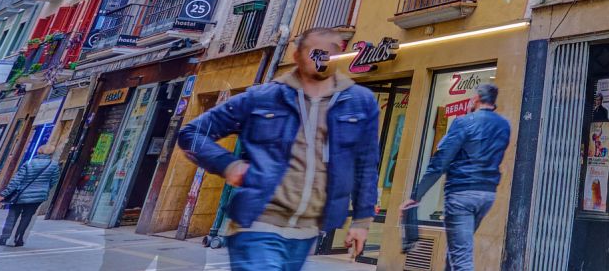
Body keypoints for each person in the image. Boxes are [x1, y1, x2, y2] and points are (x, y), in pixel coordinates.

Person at [177, 28, 381, 271]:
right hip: (257, 223)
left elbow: (366, 165)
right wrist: (228, 165)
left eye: (333, 50)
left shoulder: (360, 103)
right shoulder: (263, 97)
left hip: (306, 233)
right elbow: (191, 133)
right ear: (297, 56)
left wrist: (361, 220)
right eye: (316, 51)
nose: (325, 56)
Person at [401, 82, 511, 271]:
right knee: (456, 249)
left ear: (476, 98)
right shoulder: (504, 125)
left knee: (461, 259)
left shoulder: (464, 122)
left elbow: (440, 162)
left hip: (461, 194)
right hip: (487, 195)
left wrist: (416, 195)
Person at [0, 143, 60, 247]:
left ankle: (4, 238)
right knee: (27, 217)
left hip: (21, 194)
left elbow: (17, 180)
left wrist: (5, 193)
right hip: (38, 196)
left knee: (12, 216)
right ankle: (18, 239)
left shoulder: (29, 163)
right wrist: (44, 190)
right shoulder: (54, 165)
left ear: (39, 151)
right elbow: (53, 181)